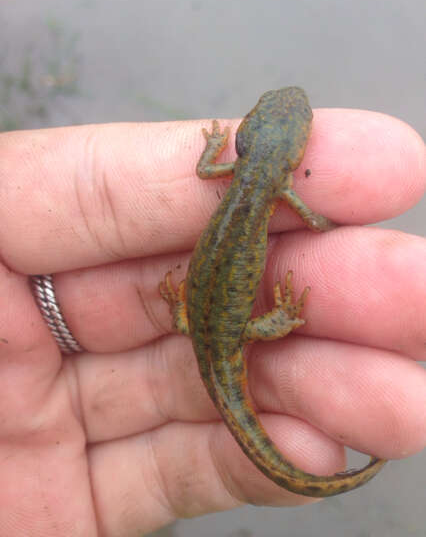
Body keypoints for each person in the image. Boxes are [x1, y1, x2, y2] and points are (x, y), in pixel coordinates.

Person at [0, 108, 424, 536]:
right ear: (291, 159)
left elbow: (205, 170)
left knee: (214, 332)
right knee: (234, 332)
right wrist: (282, 316)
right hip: (217, 329)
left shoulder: (234, 172)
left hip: (203, 327)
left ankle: (211, 315)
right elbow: (313, 220)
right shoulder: (279, 185)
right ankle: (275, 321)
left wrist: (211, 147)